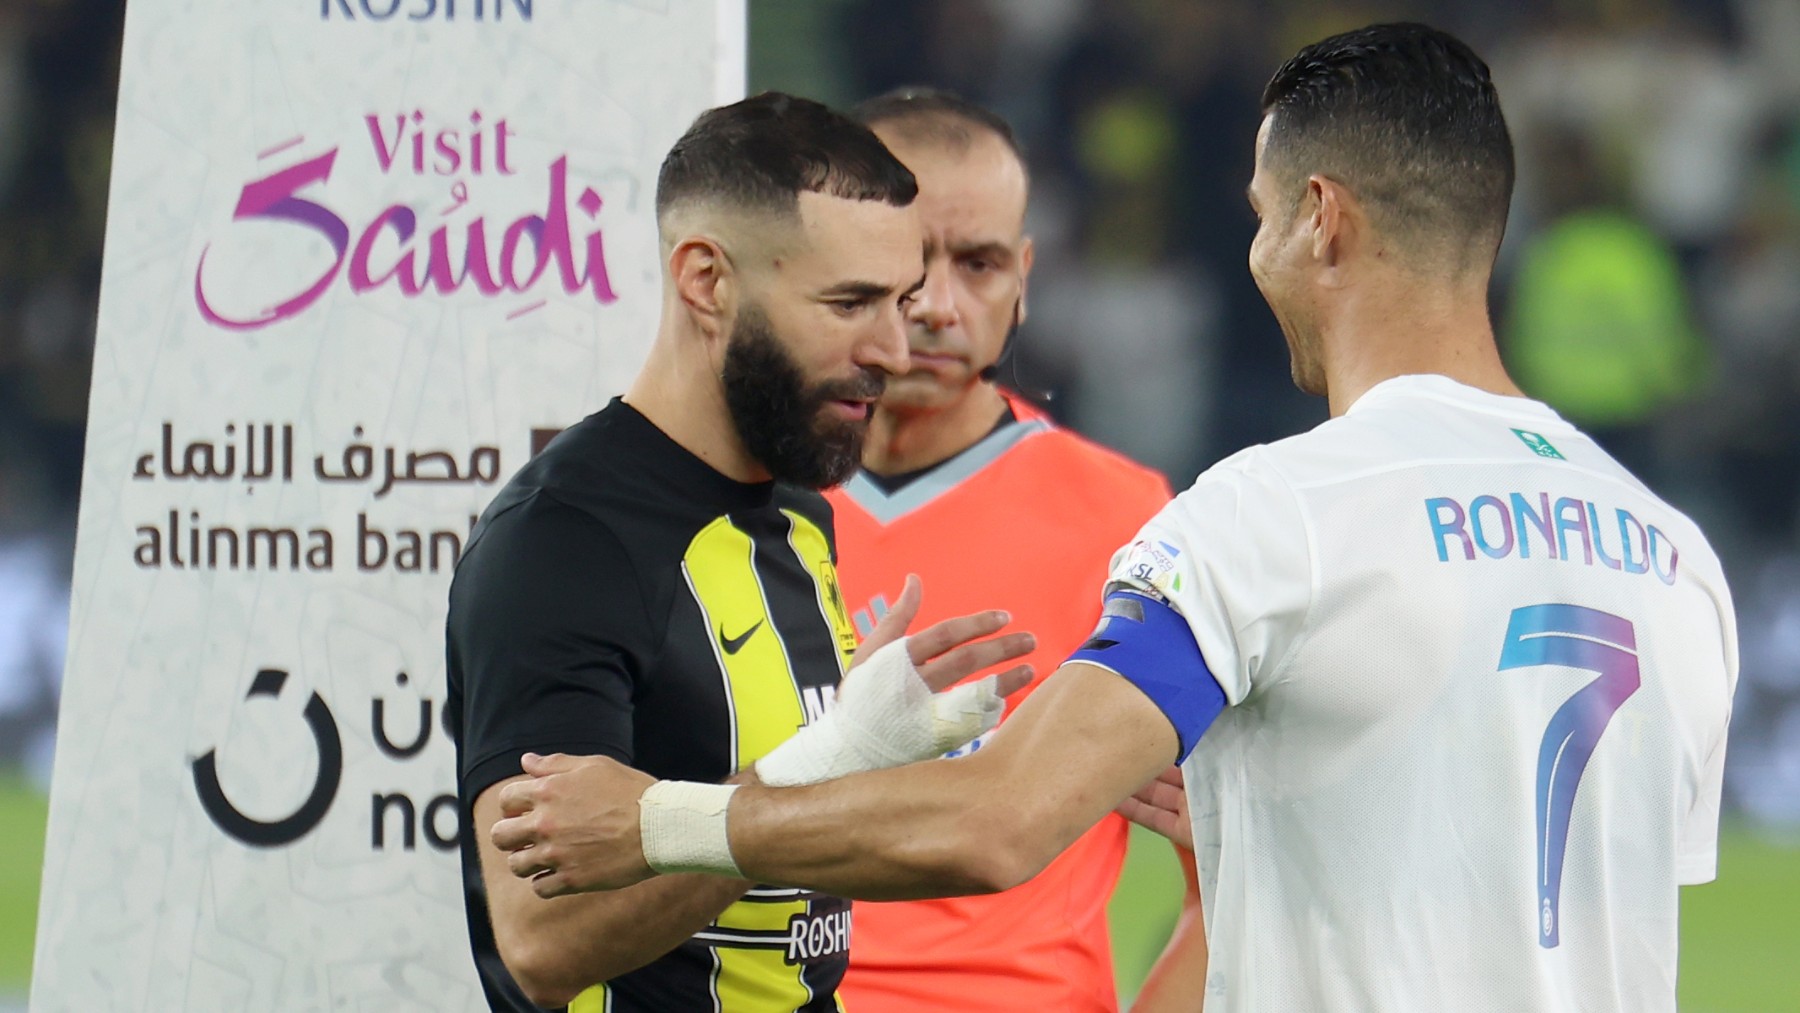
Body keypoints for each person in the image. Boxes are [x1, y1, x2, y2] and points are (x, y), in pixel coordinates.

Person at [490, 25, 1739, 1013]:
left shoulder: (1273, 516)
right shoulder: (1680, 559)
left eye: (1256, 217)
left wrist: (653, 817)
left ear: (1322, 219)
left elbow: (999, 818)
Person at [444, 92, 1035, 1013]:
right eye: (850, 303)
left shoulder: (801, 509)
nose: (892, 345)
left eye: (900, 300)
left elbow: (803, 874)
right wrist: (824, 761)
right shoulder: (562, 541)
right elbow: (540, 943)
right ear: (706, 281)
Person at [825, 87, 1205, 1013]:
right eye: (908, 265)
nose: (940, 307)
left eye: (982, 264)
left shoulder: (1132, 523)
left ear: (1026, 277)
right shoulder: (730, 500)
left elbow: (1227, 880)